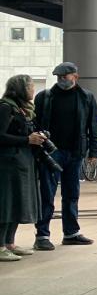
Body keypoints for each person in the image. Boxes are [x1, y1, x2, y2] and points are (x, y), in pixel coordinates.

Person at [32, 61, 97, 250]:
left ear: (75, 76)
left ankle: (71, 233)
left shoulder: (86, 97)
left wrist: (94, 151)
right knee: (47, 193)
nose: (61, 80)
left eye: (65, 76)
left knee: (71, 194)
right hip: (50, 153)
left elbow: (93, 126)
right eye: (59, 77)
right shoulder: (45, 97)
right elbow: (35, 124)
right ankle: (42, 235)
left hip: (75, 152)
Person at [0, 75, 45, 262]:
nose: (33, 90)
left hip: (22, 162)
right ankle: (1, 246)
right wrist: (27, 140)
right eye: (30, 87)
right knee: (7, 204)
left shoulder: (24, 109)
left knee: (19, 203)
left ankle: (10, 243)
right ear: (20, 89)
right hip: (8, 164)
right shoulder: (5, 107)